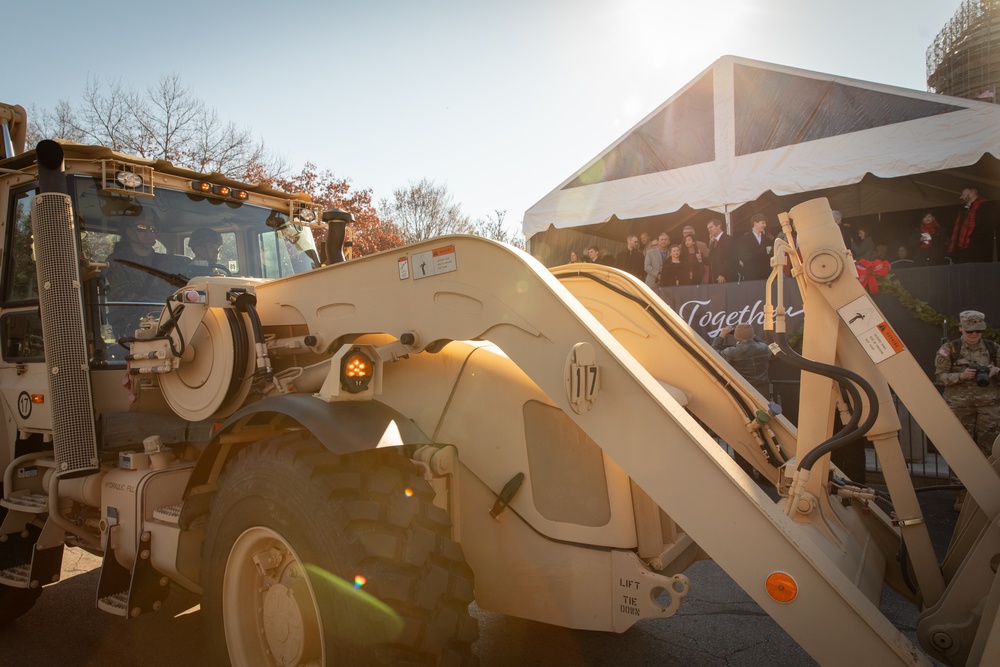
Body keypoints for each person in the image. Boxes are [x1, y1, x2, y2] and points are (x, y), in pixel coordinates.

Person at [934, 310, 1000, 509]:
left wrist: (996, 372)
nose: (974, 335)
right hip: (959, 406)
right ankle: (961, 496)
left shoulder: (993, 348)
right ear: (961, 328)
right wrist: (960, 377)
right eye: (970, 331)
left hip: (989, 406)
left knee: (990, 450)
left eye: (978, 331)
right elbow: (940, 376)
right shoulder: (949, 349)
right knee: (961, 450)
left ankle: (991, 495)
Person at [104, 214, 189, 340]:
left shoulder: (169, 262)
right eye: (142, 228)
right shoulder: (116, 262)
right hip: (131, 327)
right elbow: (122, 297)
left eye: (152, 228)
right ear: (129, 231)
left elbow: (182, 288)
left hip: (168, 322)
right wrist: (164, 305)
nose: (149, 233)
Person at [712, 323, 771, 396]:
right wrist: (750, 335)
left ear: (736, 336)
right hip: (763, 391)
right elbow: (764, 344)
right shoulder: (764, 348)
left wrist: (721, 336)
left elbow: (713, 354)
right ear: (752, 335)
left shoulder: (732, 352)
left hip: (743, 392)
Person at [948, 186, 996, 264]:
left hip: (978, 252)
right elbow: (957, 232)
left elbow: (987, 227)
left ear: (971, 193)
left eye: (963, 194)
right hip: (964, 252)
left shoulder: (986, 207)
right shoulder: (964, 211)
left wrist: (973, 240)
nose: (961, 197)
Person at [738, 213, 774, 281]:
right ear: (755, 223)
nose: (765, 225)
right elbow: (743, 257)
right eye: (762, 223)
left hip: (766, 275)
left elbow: (770, 255)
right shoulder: (744, 239)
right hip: (751, 275)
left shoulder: (767, 238)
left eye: (765, 223)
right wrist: (761, 251)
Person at [706, 219, 738, 283]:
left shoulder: (729, 239)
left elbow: (732, 258)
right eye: (708, 228)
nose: (709, 230)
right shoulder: (712, 244)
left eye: (711, 227)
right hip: (714, 279)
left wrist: (723, 274)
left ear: (718, 226)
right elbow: (710, 260)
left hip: (727, 278)